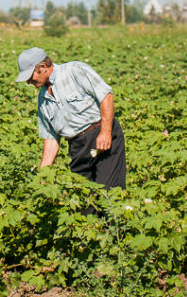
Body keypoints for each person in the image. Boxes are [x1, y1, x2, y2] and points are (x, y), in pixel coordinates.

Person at [15, 47, 126, 193]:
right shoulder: (43, 99)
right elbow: (50, 138)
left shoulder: (75, 70)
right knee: (84, 202)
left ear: (42, 67)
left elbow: (106, 95)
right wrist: (43, 173)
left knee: (108, 196)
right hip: (77, 147)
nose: (29, 82)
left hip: (101, 136)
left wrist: (105, 132)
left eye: (30, 76)